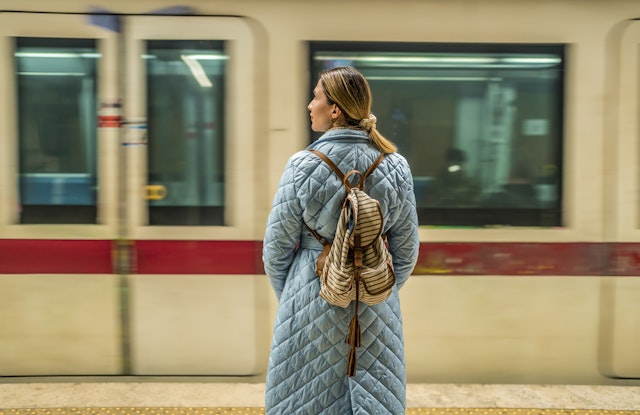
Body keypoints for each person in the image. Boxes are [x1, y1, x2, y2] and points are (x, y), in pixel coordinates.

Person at [262, 66, 420, 414]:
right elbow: (407, 252)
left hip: (309, 299)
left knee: (303, 402)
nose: (309, 105)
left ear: (335, 109)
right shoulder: (395, 165)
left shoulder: (302, 165)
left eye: (316, 96)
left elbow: (276, 251)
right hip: (376, 308)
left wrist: (296, 295)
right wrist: (374, 287)